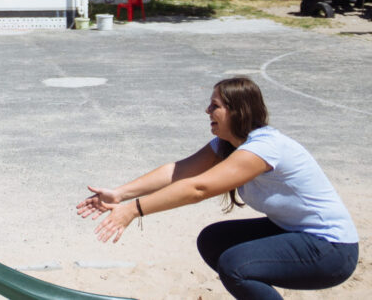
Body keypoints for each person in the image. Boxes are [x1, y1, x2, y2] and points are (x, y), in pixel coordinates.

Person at [76, 76, 359, 299]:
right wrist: (121, 194)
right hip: (298, 233)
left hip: (332, 250)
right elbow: (178, 171)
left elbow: (199, 188)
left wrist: (133, 211)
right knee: (214, 241)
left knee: (236, 265)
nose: (207, 110)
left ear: (238, 111)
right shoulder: (227, 145)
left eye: (215, 106)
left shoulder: (264, 148)